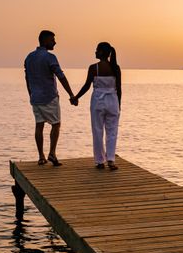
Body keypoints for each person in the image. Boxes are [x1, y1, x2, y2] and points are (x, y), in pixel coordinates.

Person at [24, 30, 76, 166]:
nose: (55, 42)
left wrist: (31, 93)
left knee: (39, 125)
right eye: (53, 40)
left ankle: (41, 157)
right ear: (45, 40)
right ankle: (52, 153)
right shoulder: (50, 57)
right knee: (56, 124)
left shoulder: (29, 57)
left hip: (35, 97)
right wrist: (71, 94)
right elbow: (61, 76)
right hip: (49, 97)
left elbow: (27, 78)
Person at [72, 42, 121, 170]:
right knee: (112, 131)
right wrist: (118, 104)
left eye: (97, 50)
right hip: (113, 101)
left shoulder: (94, 68)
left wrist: (76, 97)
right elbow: (119, 88)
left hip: (98, 101)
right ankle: (110, 160)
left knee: (97, 130)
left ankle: (100, 161)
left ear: (101, 53)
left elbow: (87, 86)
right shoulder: (116, 68)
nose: (95, 52)